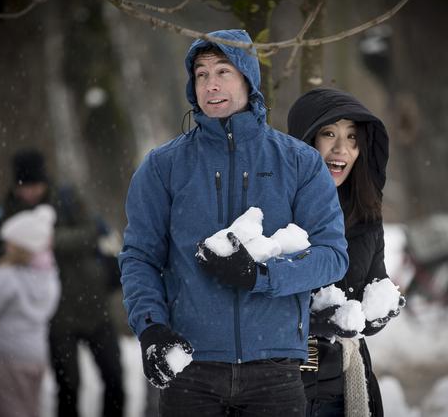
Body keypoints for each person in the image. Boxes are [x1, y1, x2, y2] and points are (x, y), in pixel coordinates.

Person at [119, 29, 349, 417]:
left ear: (247, 77)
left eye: (223, 71)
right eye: (201, 75)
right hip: (190, 369)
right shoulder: (163, 166)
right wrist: (151, 327)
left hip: (275, 370)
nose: (211, 85)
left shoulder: (299, 162)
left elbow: (331, 256)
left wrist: (262, 274)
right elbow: (139, 257)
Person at [287, 88, 405, 417]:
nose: (342, 149)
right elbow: (254, 293)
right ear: (305, 140)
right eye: (329, 134)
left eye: (352, 137)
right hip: (279, 383)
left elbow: (372, 286)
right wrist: (312, 319)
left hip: (343, 382)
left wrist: (379, 311)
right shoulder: (276, 207)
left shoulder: (367, 212)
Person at [0, 149, 125, 417]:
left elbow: (90, 233)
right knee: (68, 388)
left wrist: (51, 240)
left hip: (93, 305)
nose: (30, 192)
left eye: (35, 185)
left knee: (114, 380)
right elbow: (5, 255)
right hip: (55, 317)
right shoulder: (10, 214)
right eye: (25, 186)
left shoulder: (66, 199)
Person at [0, 204, 61, 417]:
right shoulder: (49, 275)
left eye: (8, 243)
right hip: (36, 354)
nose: (5, 247)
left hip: (8, 355)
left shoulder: (6, 275)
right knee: (30, 409)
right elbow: (50, 309)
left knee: (9, 410)